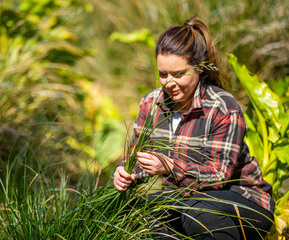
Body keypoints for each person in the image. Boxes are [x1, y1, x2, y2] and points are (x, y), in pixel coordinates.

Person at [113, 16, 274, 239]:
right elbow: (138, 159)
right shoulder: (150, 103)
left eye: (179, 74)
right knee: (135, 213)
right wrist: (125, 173)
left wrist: (170, 167)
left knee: (199, 209)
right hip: (184, 201)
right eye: (163, 74)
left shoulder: (223, 108)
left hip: (243, 200)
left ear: (199, 68)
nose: (169, 83)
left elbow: (219, 176)